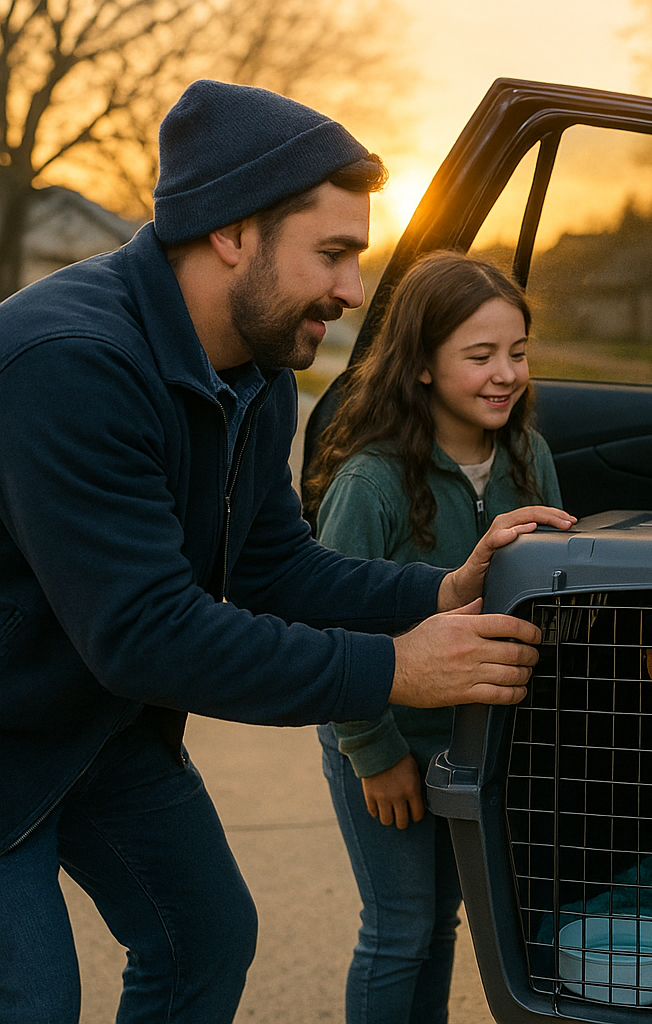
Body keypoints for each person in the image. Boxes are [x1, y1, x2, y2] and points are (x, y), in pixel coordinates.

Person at [0, 82, 565, 1023]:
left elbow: (273, 568)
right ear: (231, 232)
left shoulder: (255, 370)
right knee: (37, 999)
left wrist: (438, 593)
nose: (351, 292)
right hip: (9, 729)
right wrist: (392, 671)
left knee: (205, 938)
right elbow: (148, 634)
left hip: (93, 724)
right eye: (333, 254)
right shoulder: (69, 362)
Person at [304, 251, 571, 1023]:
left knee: (446, 921)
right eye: (480, 355)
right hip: (383, 734)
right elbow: (333, 631)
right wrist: (376, 756)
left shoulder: (531, 457)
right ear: (421, 365)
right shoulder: (372, 481)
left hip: (476, 743)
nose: (506, 373)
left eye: (517, 352)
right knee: (399, 927)